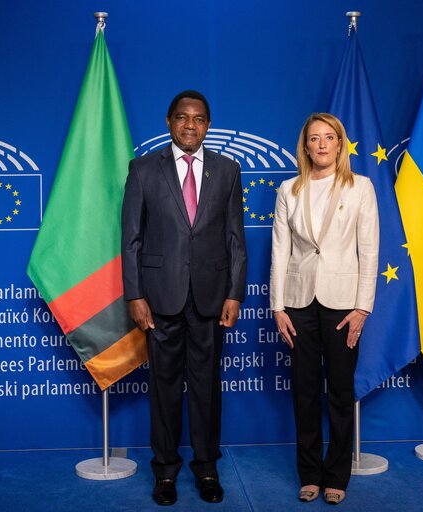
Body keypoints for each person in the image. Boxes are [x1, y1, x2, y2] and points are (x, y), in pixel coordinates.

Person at [121, 90, 247, 506]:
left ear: (208, 125)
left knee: (208, 389)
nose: (190, 125)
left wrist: (234, 293)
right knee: (164, 388)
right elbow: (131, 241)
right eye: (182, 117)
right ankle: (165, 472)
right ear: (169, 122)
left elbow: (235, 239)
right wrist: (135, 295)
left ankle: (207, 468)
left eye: (198, 118)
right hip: (160, 299)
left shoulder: (228, 170)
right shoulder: (142, 169)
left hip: (211, 299)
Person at [269, 113, 379, 505]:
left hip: (343, 305)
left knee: (340, 391)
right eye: (313, 138)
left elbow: (369, 250)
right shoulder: (289, 190)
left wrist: (362, 308)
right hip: (298, 304)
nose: (320, 145)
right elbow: (280, 250)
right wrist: (277, 307)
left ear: (340, 144)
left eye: (328, 137)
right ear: (305, 146)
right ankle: (309, 473)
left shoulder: (361, 187)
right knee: (304, 391)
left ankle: (337, 475)